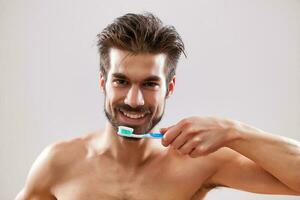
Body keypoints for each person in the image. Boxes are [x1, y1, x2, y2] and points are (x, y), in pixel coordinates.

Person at [16, 12, 300, 200]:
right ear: (103, 82)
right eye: (121, 82)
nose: (134, 101)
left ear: (170, 88)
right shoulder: (58, 163)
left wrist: (233, 131)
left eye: (150, 84)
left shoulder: (196, 162)